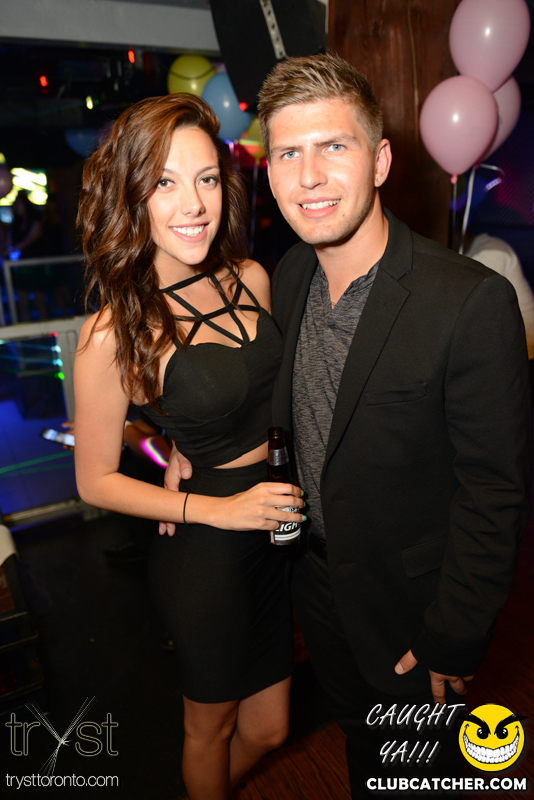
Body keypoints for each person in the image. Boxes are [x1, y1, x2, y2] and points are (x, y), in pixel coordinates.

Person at [164, 54, 532, 796]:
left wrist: (454, 632)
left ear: (380, 161)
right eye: (288, 154)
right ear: (269, 175)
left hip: (412, 610)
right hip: (318, 588)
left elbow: (495, 491)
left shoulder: (469, 303)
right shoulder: (290, 275)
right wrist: (185, 448)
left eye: (334, 146)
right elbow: (281, 400)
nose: (309, 177)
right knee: (366, 758)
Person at [73, 92, 304, 800]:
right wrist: (214, 505)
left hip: (276, 530)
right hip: (206, 553)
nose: (194, 204)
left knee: (270, 729)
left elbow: (257, 395)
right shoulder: (114, 332)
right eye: (165, 183)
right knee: (210, 730)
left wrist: (179, 436)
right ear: (132, 198)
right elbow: (94, 480)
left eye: (206, 179)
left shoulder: (252, 278)